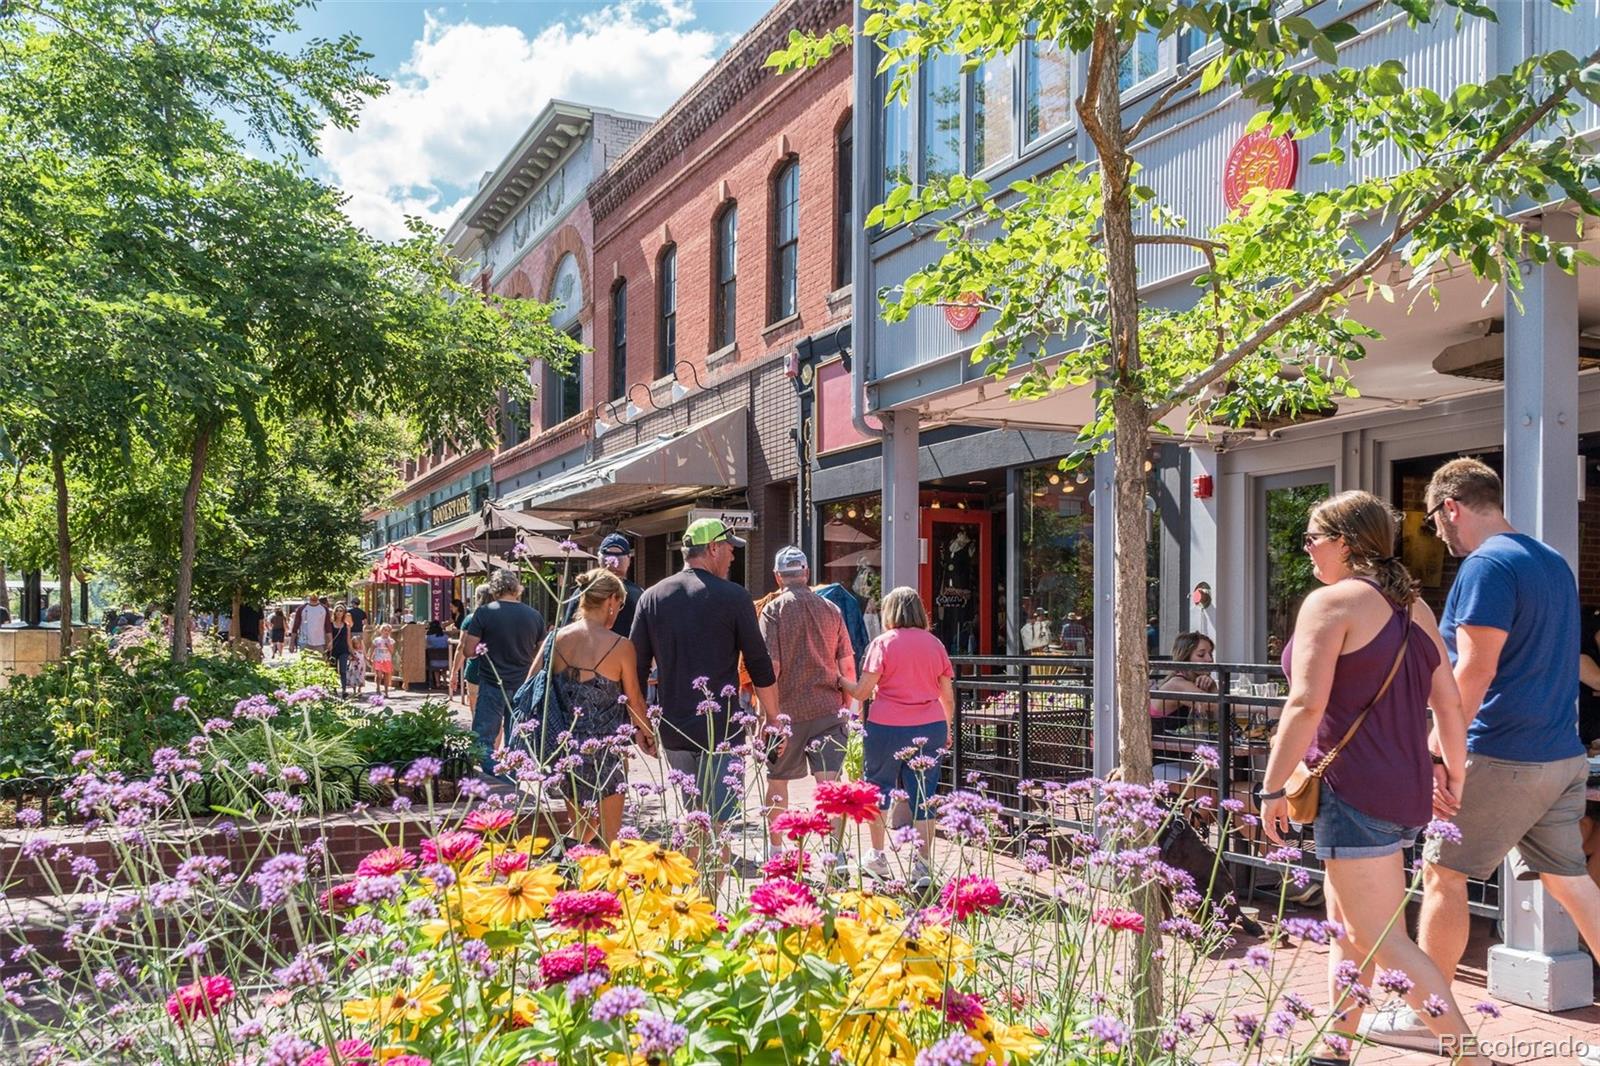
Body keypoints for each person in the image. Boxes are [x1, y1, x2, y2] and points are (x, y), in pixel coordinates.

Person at [1362, 459, 1600, 1052]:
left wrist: (1442, 750)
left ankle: (1428, 1016)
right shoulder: (1551, 563)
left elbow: (1475, 667)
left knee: (1444, 872)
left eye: (1438, 523)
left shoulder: (1486, 565)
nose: (1440, 538)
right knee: (1573, 883)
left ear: (1451, 508)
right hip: (1559, 755)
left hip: (1499, 754)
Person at [1258, 490, 1485, 1065]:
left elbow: (1305, 704)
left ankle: (1470, 1057)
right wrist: (1452, 774)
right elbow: (1450, 705)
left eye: (1313, 536)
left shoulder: (1331, 603)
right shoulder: (1415, 608)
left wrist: (1271, 786)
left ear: (1345, 542)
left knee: (1384, 941)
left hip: (1353, 790)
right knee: (1347, 930)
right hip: (1402, 787)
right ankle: (1332, 1052)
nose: (1307, 548)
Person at [631, 517, 778, 875]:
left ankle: (687, 891)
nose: (732, 557)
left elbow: (634, 668)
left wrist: (640, 725)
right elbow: (758, 662)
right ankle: (709, 902)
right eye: (729, 549)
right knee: (720, 821)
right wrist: (774, 719)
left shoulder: (652, 597)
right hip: (722, 729)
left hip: (674, 727)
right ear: (712, 548)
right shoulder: (734, 597)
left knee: (691, 813)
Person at [836, 586, 954, 885]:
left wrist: (840, 681)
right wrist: (947, 727)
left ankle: (878, 857)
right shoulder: (935, 644)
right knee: (924, 797)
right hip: (930, 726)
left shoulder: (883, 643)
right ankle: (924, 866)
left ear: (890, 611)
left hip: (887, 727)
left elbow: (863, 691)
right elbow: (947, 695)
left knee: (878, 789)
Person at [533, 568, 658, 844]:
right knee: (609, 838)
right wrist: (647, 735)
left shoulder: (556, 639)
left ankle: (576, 881)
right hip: (607, 753)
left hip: (566, 750)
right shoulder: (621, 646)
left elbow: (532, 686)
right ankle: (605, 886)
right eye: (621, 605)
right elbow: (635, 701)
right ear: (611, 600)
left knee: (580, 833)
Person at [758, 547, 856, 854]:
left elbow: (770, 668)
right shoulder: (832, 609)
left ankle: (776, 851)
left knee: (777, 782)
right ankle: (836, 856)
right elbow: (848, 665)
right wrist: (848, 707)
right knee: (830, 788)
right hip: (828, 709)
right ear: (806, 574)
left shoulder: (773, 611)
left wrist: (766, 715)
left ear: (777, 577)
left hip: (786, 712)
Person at [460, 568, 546, 779]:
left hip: (491, 682)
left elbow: (469, 651)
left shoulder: (484, 613)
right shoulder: (534, 615)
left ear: (494, 589)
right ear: (517, 589)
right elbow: (543, 653)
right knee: (517, 736)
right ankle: (513, 774)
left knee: (484, 739)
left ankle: (496, 775)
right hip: (523, 683)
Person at [561, 533, 642, 637]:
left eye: (619, 559)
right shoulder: (584, 590)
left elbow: (566, 630)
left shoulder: (584, 590)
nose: (613, 564)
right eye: (608, 558)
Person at [1149, 631, 1218, 734]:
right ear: (1185, 657)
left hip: (1179, 743)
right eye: (1201, 654)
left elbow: (1215, 717)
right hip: (1161, 746)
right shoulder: (1177, 683)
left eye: (1210, 654)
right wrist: (1251, 706)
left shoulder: (1193, 681)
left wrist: (1212, 686)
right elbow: (1212, 705)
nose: (1209, 659)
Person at [452, 586, 495, 709]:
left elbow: (461, 647)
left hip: (476, 669)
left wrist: (454, 672)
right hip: (499, 670)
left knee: (476, 711)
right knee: (497, 714)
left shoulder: (471, 619)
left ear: (478, 598)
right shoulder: (502, 618)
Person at [328, 605, 353, 698]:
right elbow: (328, 636)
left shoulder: (346, 625)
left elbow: (348, 638)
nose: (339, 612)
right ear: (335, 612)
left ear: (344, 613)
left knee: (343, 670)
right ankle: (333, 689)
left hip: (343, 649)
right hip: (333, 649)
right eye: (337, 611)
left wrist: (352, 650)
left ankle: (344, 690)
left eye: (341, 611)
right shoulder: (331, 624)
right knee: (333, 670)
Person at [370, 624, 395, 696]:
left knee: (387, 675)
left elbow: (392, 651)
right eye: (385, 630)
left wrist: (388, 645)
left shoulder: (391, 641)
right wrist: (371, 657)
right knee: (379, 675)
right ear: (381, 631)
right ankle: (378, 687)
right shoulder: (377, 640)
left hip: (387, 660)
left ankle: (386, 691)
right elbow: (372, 648)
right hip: (378, 659)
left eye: (388, 631)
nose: (386, 632)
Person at [425, 619, 450, 690]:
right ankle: (445, 682)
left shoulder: (429, 637)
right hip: (445, 661)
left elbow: (426, 647)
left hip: (433, 661)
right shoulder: (446, 637)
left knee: (436, 669)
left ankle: (438, 683)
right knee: (444, 669)